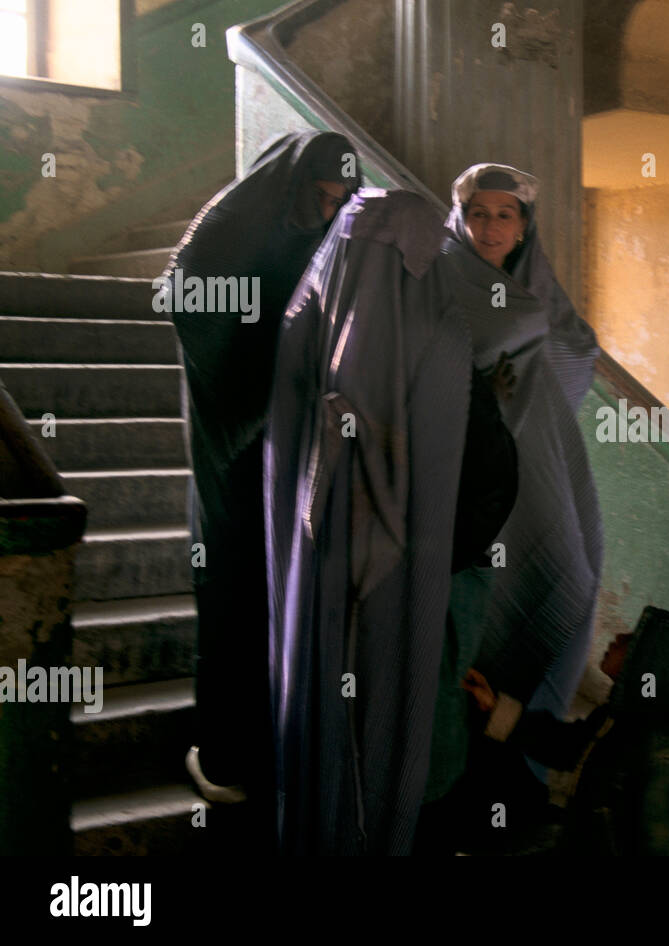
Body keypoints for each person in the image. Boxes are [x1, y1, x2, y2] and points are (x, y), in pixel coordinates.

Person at [263, 188, 514, 854]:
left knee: (392, 713)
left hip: (388, 575)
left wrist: (430, 555)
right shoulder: (414, 331)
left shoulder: (323, 324)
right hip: (381, 577)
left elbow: (489, 476)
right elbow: (493, 472)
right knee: (385, 718)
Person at [165, 131, 359, 832]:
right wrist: (271, 376)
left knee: (282, 600)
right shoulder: (229, 228)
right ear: (290, 186)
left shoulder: (314, 235)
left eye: (342, 199)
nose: (330, 208)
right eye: (321, 195)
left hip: (289, 449)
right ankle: (222, 758)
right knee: (232, 592)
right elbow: (187, 304)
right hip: (234, 448)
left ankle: (270, 751)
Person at [438, 163, 604, 819]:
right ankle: (464, 774)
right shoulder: (442, 277)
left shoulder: (538, 285)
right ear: (461, 217)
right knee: (479, 614)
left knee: (569, 573)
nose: (490, 226)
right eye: (478, 213)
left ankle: (526, 767)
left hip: (543, 468)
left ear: (524, 223)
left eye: (505, 214)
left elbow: (577, 350)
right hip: (470, 476)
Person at [459, 606, 669, 855]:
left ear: (650, 668)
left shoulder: (663, 764)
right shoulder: (621, 722)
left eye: (632, 639)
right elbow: (563, 744)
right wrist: (494, 708)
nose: (618, 637)